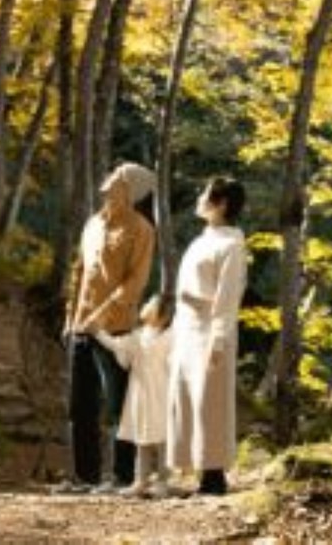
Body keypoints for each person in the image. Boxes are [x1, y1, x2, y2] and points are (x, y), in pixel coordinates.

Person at [60, 162, 157, 493]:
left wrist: (100, 316)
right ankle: (84, 478)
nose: (108, 180)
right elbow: (79, 272)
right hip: (80, 328)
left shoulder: (141, 228)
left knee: (118, 406)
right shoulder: (93, 224)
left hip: (116, 330)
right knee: (79, 405)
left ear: (132, 190)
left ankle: (121, 476)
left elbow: (135, 282)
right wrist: (69, 318)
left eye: (116, 178)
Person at [167, 176, 248, 496]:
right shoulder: (201, 240)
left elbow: (228, 297)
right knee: (187, 398)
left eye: (206, 194)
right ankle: (195, 469)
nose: (199, 197)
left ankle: (214, 475)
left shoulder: (231, 244)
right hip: (186, 328)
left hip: (209, 329)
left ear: (222, 204)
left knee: (210, 401)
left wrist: (219, 338)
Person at [95, 296, 174, 497]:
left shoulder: (170, 336)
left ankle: (163, 481)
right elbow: (116, 345)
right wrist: (97, 331)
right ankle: (141, 480)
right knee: (142, 438)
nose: (145, 305)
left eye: (151, 304)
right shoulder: (137, 336)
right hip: (139, 393)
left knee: (162, 437)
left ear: (162, 317)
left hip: (161, 391)